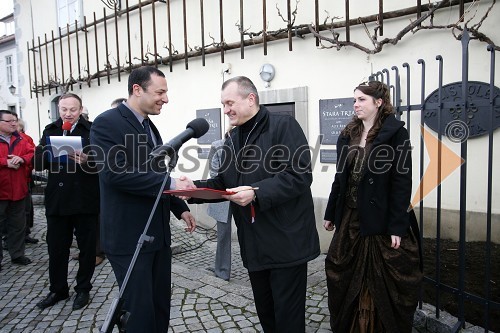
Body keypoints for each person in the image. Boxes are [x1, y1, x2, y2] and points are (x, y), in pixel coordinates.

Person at [184, 76, 320, 332]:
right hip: (254, 244)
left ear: (251, 99)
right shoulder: (233, 138)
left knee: (288, 322)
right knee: (266, 316)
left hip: (286, 244)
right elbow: (223, 183)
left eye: (229, 103)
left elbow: (300, 174)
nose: (225, 110)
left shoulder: (284, 126)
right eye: (223, 104)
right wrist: (193, 189)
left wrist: (256, 192)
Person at [90, 66, 196, 333]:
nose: (166, 99)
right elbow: (116, 174)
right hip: (129, 239)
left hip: (157, 237)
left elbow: (156, 172)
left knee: (160, 307)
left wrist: (179, 207)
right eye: (160, 92)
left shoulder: (150, 127)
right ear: (137, 89)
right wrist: (172, 184)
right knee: (139, 313)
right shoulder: (107, 123)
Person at [323, 80, 422, 332]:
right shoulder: (348, 134)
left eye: (361, 100)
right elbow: (340, 177)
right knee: (339, 270)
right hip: (349, 217)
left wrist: (397, 226)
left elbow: (402, 181)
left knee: (381, 279)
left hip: (380, 219)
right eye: (354, 99)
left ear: (378, 102)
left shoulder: (396, 132)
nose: (355, 104)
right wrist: (330, 212)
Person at [34, 93, 99, 311]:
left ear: (80, 110)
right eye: (63, 109)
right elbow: (39, 163)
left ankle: (83, 289)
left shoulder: (92, 131)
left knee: (87, 249)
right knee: (56, 248)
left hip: (85, 200)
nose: (68, 113)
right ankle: (58, 289)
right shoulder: (50, 130)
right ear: (59, 110)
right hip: (58, 200)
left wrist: (87, 160)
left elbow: (106, 164)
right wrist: (44, 151)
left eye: (72, 109)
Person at [0, 110, 34, 271]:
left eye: (15, 120)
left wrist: (22, 159)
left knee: (18, 224)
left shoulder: (20, 139)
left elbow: (32, 152)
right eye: (9, 121)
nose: (14, 123)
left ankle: (17, 254)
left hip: (19, 189)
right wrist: (5, 162)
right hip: (2, 189)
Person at [206, 137, 232, 281]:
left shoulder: (249, 146)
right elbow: (213, 172)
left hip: (240, 194)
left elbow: (214, 173)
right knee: (223, 235)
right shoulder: (217, 145)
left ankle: (222, 270)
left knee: (249, 232)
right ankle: (222, 270)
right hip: (225, 194)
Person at [16, 118, 38, 244]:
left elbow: (33, 154)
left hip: (24, 178)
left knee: (25, 209)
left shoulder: (25, 139)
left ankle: (25, 234)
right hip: (7, 181)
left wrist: (23, 161)